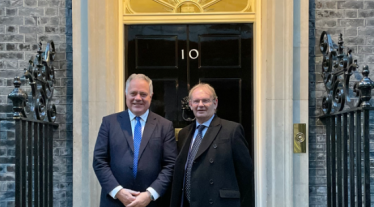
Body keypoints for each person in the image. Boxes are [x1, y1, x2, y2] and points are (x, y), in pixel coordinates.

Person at [93, 74, 178, 207]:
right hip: (115, 202)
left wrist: (150, 194)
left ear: (151, 95)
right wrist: (118, 191)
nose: (138, 98)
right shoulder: (109, 123)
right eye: (133, 93)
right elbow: (99, 161)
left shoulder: (165, 126)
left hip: (152, 203)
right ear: (126, 94)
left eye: (143, 94)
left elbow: (171, 165)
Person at [170, 83, 254, 207]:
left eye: (205, 101)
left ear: (215, 103)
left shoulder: (232, 130)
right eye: (196, 101)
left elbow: (246, 173)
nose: (200, 105)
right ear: (190, 105)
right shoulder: (184, 133)